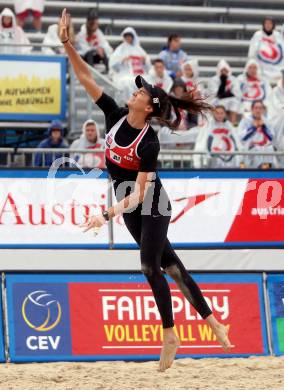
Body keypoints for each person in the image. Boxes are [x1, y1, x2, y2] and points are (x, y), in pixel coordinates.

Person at [59, 8, 232, 372]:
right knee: (171, 266)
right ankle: (214, 322)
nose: (136, 90)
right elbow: (84, 75)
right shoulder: (114, 114)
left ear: (149, 105)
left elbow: (140, 194)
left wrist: (105, 214)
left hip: (152, 205)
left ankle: (169, 334)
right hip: (131, 208)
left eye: (142, 90)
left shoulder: (149, 142)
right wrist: (68, 44)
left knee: (149, 267)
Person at [109, 27, 151, 103]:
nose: (128, 38)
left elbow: (147, 64)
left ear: (133, 37)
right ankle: (128, 103)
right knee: (126, 83)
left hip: (139, 73)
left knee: (149, 82)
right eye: (126, 36)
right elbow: (113, 64)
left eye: (129, 36)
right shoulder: (120, 49)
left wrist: (144, 61)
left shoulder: (139, 49)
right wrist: (122, 60)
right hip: (125, 74)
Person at [238, 100, 276, 169]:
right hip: (251, 151)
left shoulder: (267, 121)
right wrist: (253, 128)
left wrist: (264, 128)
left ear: (263, 110)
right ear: (252, 109)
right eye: (256, 108)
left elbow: (272, 138)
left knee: (269, 148)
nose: (258, 110)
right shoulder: (245, 121)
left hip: (264, 152)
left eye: (260, 108)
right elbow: (240, 138)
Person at [248, 16, 284, 84]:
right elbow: (252, 53)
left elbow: (281, 52)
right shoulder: (257, 35)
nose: (268, 25)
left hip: (276, 71)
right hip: (261, 71)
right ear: (263, 24)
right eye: (266, 23)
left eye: (270, 23)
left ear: (273, 25)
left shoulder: (278, 36)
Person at [76, 8, 113, 72]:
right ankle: (92, 73)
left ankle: (109, 71)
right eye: (94, 23)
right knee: (90, 53)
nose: (96, 24)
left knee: (104, 51)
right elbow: (85, 49)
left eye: (96, 22)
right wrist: (96, 50)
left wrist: (103, 49)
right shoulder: (82, 34)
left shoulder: (98, 32)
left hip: (95, 56)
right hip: (83, 57)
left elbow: (105, 44)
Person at [208, 59, 241, 125]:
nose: (224, 72)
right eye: (222, 70)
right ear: (219, 70)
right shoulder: (213, 79)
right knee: (220, 104)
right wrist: (223, 80)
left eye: (225, 70)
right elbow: (217, 94)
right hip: (217, 100)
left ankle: (232, 123)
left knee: (235, 102)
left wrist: (224, 94)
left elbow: (236, 92)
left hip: (231, 99)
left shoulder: (233, 79)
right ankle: (221, 124)